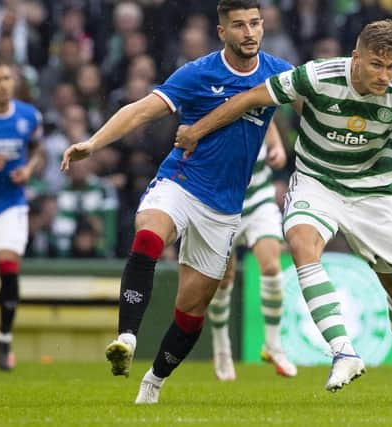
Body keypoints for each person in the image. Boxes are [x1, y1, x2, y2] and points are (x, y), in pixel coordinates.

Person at [175, 19, 392, 404]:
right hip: (316, 183)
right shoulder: (318, 76)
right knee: (303, 243)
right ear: (355, 57)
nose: (385, 75)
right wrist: (196, 131)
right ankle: (343, 350)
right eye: (376, 65)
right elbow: (251, 97)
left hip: (372, 193)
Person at [60, 0, 292, 403]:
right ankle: (127, 337)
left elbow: (320, 95)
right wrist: (93, 143)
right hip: (181, 182)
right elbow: (140, 111)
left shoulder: (277, 72)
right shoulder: (199, 73)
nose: (250, 32)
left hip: (224, 210)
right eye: (239, 25)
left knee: (191, 312)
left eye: (254, 23)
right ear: (223, 32)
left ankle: (153, 383)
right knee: (149, 235)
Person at [208, 125, 297, 381]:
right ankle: (222, 346)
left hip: (259, 201)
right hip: (221, 206)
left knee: (271, 267)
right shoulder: (212, 103)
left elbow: (268, 120)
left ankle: (272, 345)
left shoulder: (253, 96)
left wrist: (277, 147)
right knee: (223, 280)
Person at [0, 58, 43, 371]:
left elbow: (36, 149)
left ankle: (4, 337)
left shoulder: (29, 116)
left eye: (7, 78)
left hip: (10, 204)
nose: (4, 85)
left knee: (8, 263)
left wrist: (27, 170)